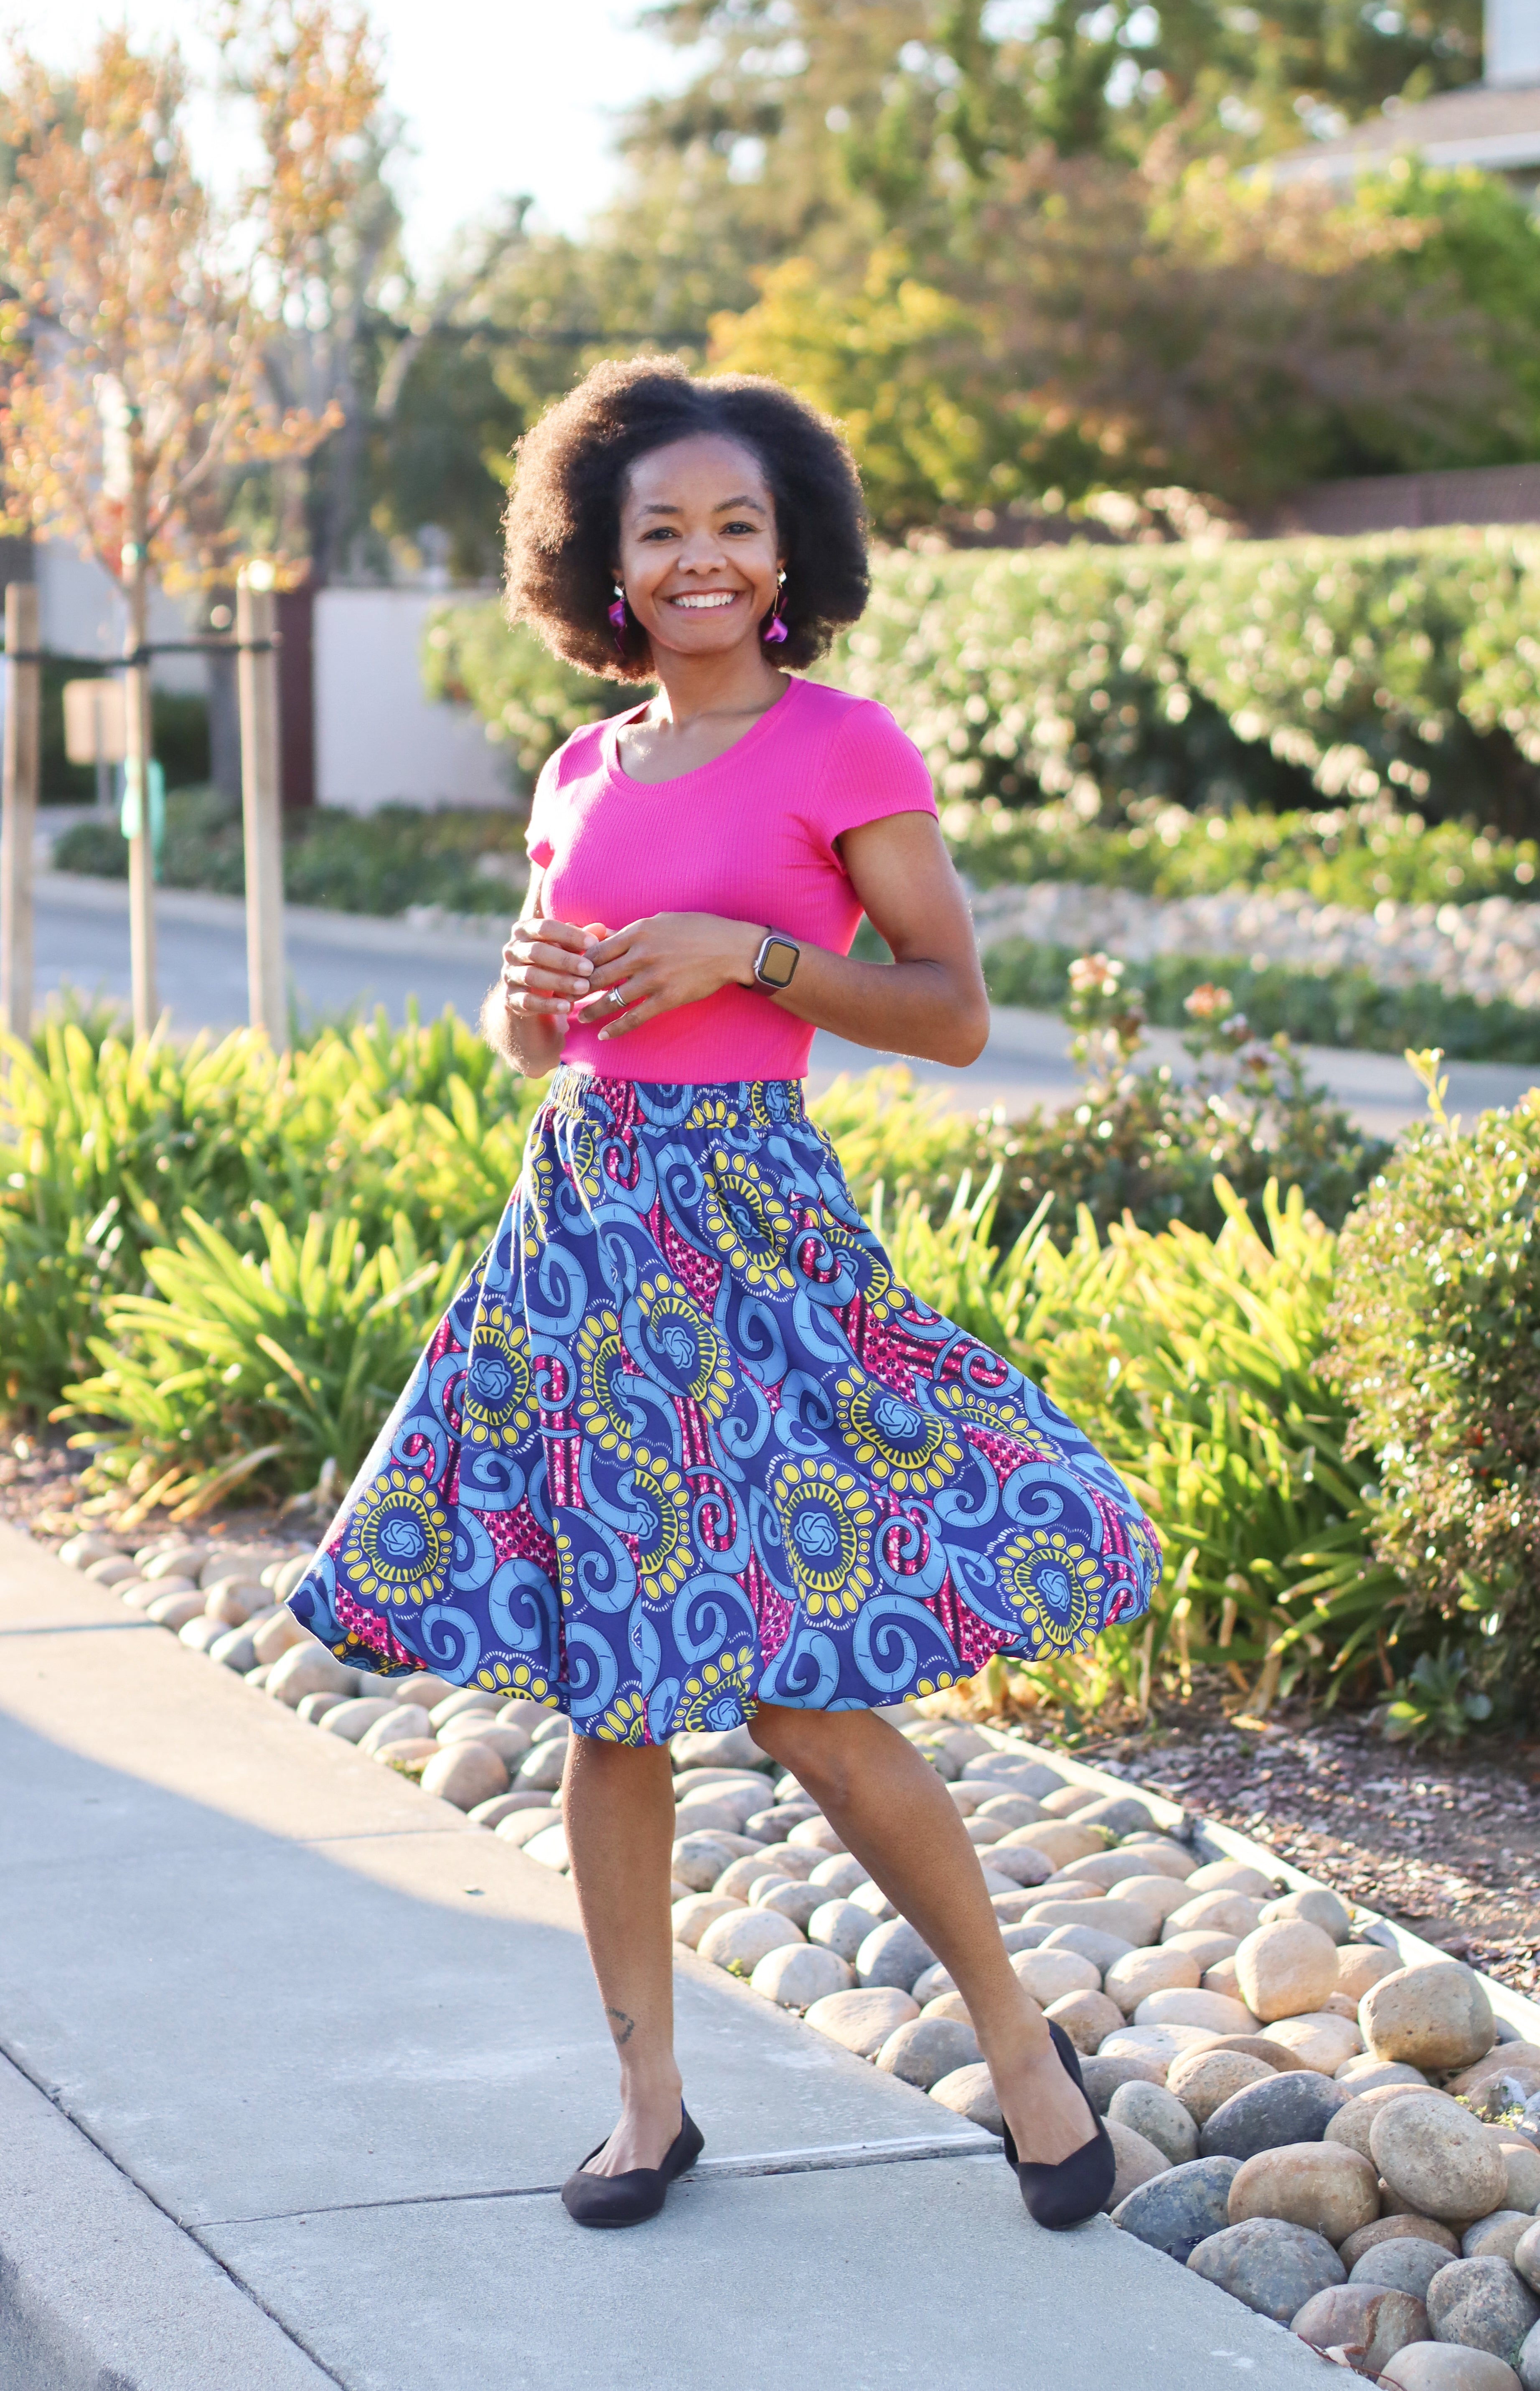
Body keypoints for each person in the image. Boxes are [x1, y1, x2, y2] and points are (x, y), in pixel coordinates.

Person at [285, 356, 1160, 2236]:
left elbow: (950, 1010)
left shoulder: (842, 747)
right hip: (587, 1237)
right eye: (659, 528)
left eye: (734, 528)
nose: (697, 558)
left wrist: (748, 950)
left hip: (753, 1241)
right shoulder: (580, 766)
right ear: (600, 558)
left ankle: (1016, 2045)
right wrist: (527, 994)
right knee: (614, 1697)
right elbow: (538, 1036)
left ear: (787, 557)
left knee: (803, 1692)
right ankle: (649, 2104)